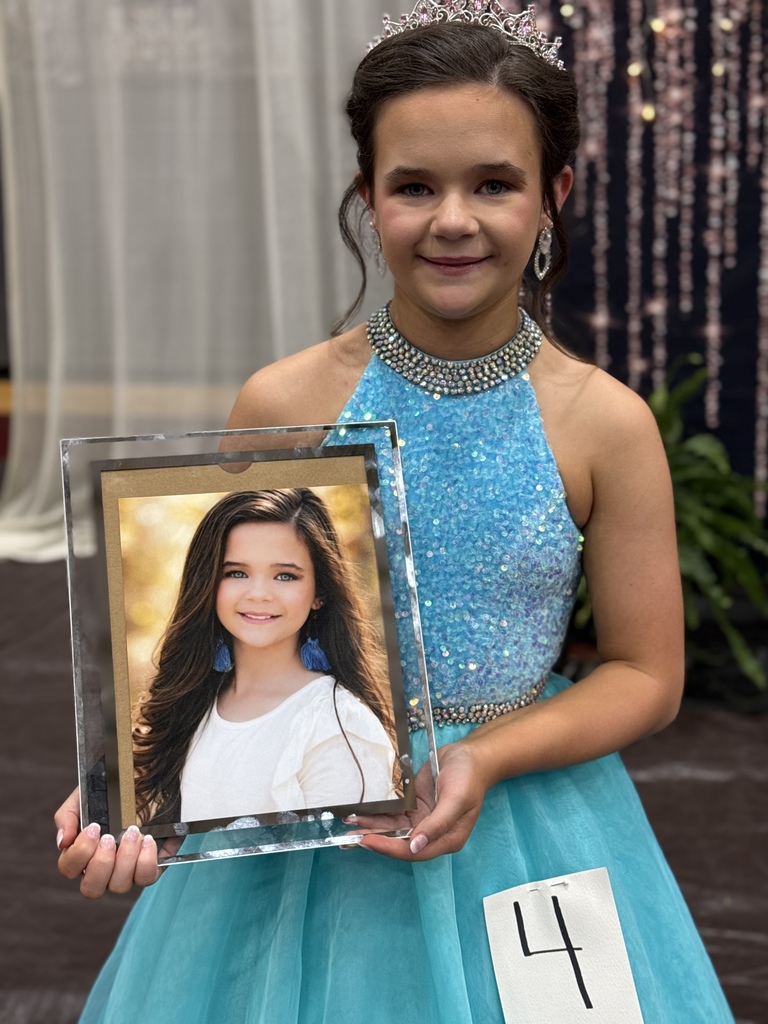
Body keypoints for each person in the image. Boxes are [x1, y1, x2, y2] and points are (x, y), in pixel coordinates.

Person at [56, 4, 735, 1021]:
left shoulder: (604, 424)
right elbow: (213, 624)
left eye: (493, 184)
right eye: (415, 186)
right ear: (367, 196)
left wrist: (484, 754)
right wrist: (133, 783)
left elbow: (646, 672)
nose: (453, 219)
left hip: (522, 817)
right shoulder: (285, 403)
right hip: (301, 815)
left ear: (553, 194)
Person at [131, 488, 398, 826]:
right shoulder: (194, 703)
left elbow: (339, 859)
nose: (258, 594)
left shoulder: (337, 722)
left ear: (319, 593)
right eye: (236, 573)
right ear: (208, 584)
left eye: (285, 576)